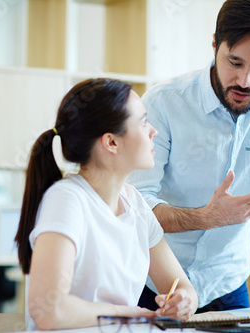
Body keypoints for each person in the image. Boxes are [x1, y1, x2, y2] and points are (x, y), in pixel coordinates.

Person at [128, 0, 250, 315]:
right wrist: (207, 217)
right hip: (153, 284)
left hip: (226, 281)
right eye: (235, 62)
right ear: (214, 44)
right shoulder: (164, 103)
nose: (245, 81)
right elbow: (135, 206)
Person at [15, 78, 198, 331]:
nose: (153, 131)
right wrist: (126, 313)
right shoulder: (67, 199)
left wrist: (185, 301)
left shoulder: (135, 203)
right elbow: (48, 310)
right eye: (143, 122)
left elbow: (180, 285)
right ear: (111, 142)